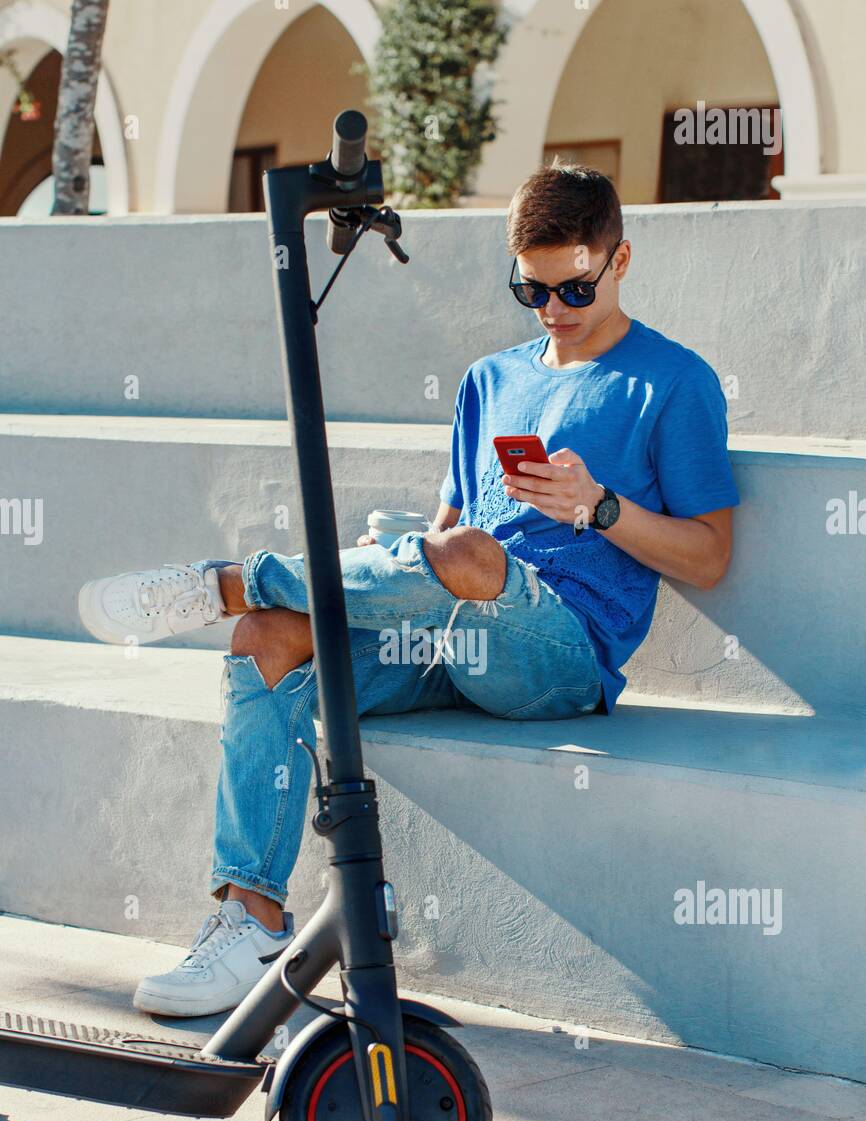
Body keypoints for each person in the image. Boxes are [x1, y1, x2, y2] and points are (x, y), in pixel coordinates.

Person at [78, 164, 739, 1017]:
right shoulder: (489, 380)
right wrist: (390, 562)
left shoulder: (673, 382)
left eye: (577, 284)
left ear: (621, 261)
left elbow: (711, 556)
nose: (554, 308)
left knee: (460, 556)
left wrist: (600, 506)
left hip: (560, 658)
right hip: (445, 636)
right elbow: (446, 532)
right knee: (270, 640)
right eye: (530, 290)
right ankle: (251, 920)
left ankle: (230, 582)